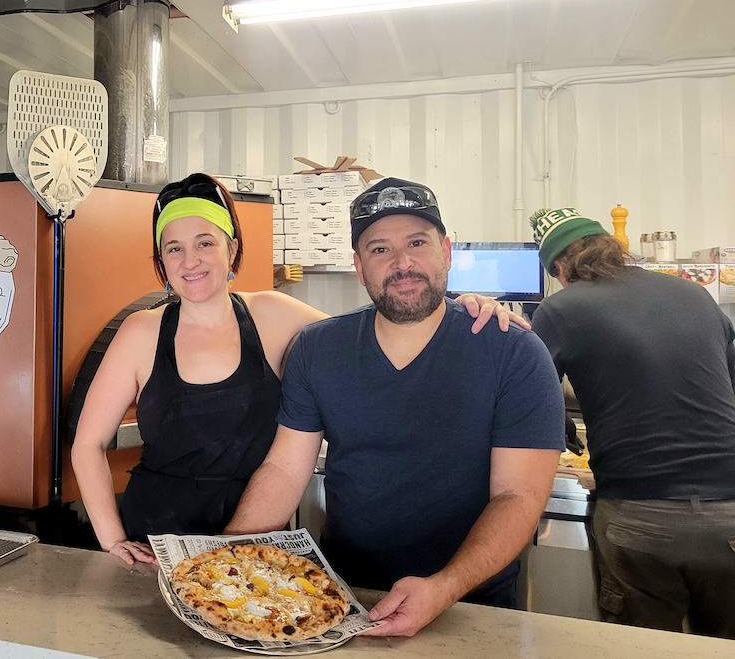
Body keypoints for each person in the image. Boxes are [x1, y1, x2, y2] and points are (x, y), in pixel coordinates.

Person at [71, 173, 529, 567]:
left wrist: (462, 304)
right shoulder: (140, 333)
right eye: (174, 249)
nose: (191, 261)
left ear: (231, 250)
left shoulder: (274, 315)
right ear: (162, 262)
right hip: (157, 537)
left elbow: (377, 329)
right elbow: (88, 444)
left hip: (257, 531)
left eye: (205, 243)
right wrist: (112, 540)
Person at [224, 177, 565, 638]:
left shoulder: (513, 351)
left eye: (417, 242)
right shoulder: (319, 349)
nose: (403, 263)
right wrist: (227, 555)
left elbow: (518, 496)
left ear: (447, 251)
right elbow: (286, 469)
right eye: (379, 249)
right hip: (340, 600)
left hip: (470, 605)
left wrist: (443, 587)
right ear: (359, 267)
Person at [528, 207, 735, 638]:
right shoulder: (693, 294)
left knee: (641, 646)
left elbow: (532, 398)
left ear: (560, 268)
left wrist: (565, 432)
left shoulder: (560, 308)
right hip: (730, 511)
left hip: (639, 514)